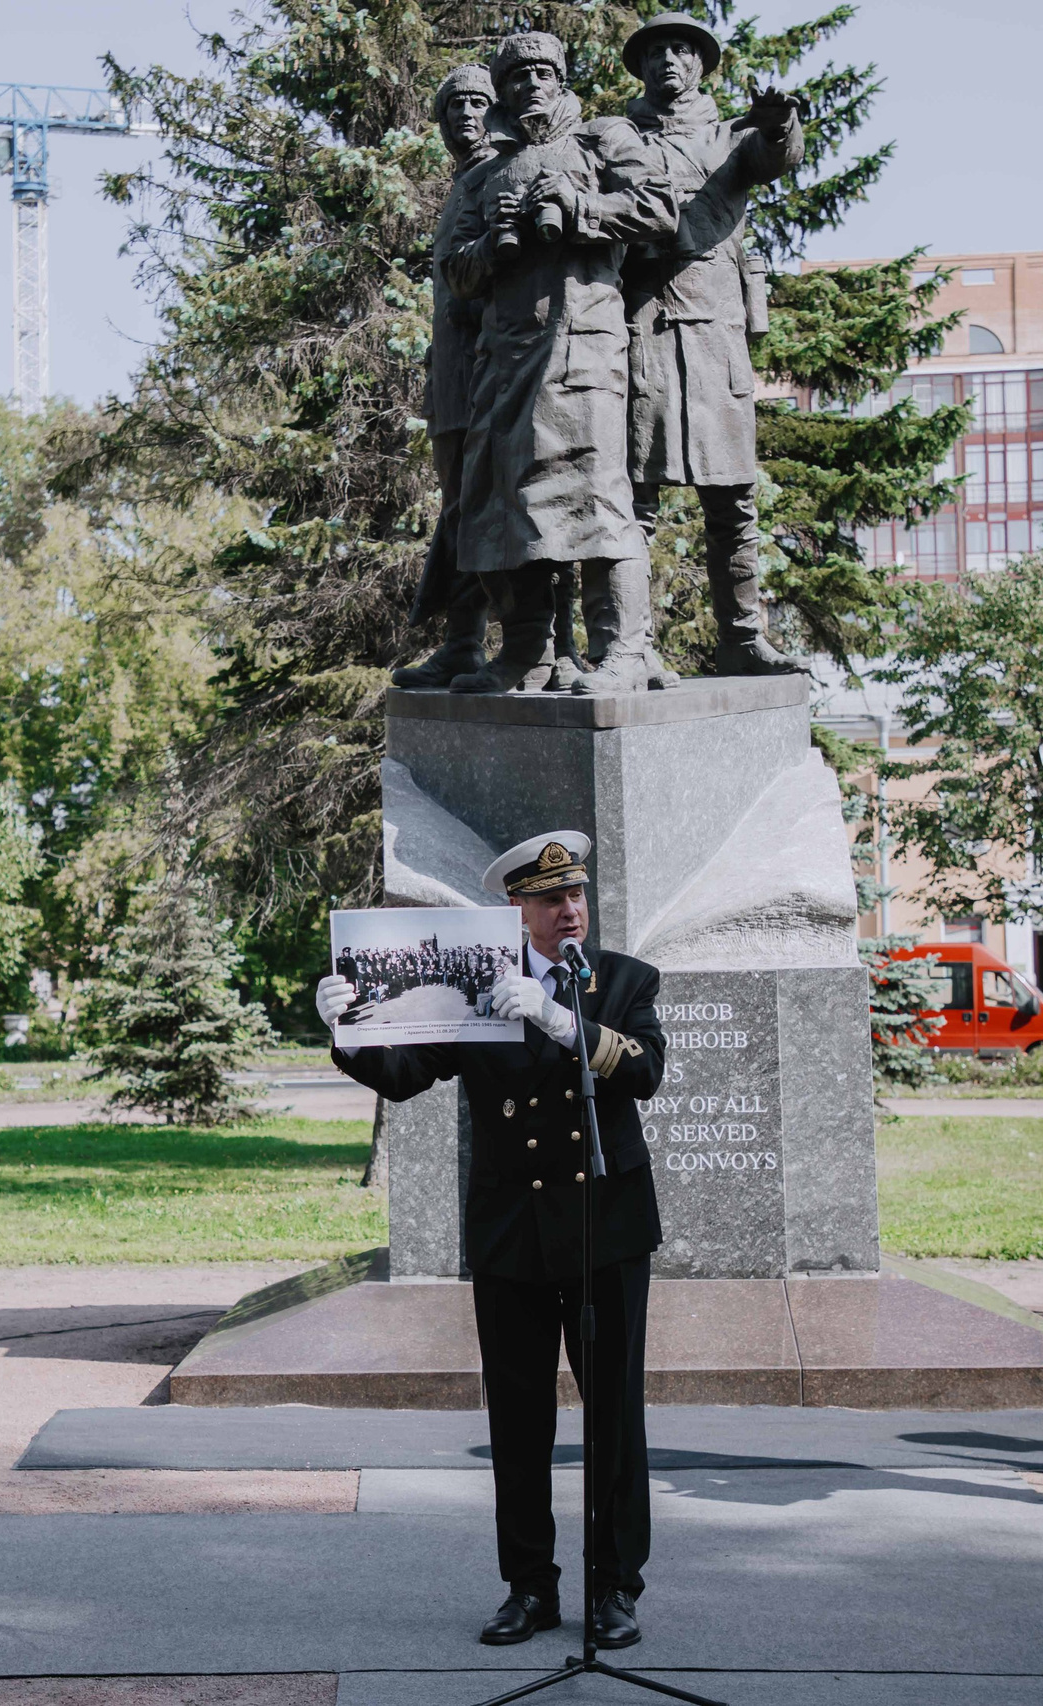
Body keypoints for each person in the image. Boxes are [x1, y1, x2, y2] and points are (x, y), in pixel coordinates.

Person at [317, 831, 667, 1649]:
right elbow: (405, 1077)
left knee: (614, 1416)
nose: (569, 910)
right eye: (550, 900)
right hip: (513, 1233)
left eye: (575, 895)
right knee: (518, 1421)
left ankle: (614, 1586)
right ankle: (529, 1588)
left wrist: (557, 1019)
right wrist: (349, 1032)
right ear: (517, 911)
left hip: (604, 1232)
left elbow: (646, 1071)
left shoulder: (622, 981)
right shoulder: (477, 984)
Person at [437, 32, 679, 694]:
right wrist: (493, 243)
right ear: (504, 93)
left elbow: (659, 210)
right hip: (504, 360)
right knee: (502, 506)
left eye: (544, 73)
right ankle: (528, 652)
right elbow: (456, 272)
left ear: (563, 79)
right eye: (517, 78)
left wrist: (580, 208)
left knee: (597, 498)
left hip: (583, 348)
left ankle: (623, 650)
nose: (531, 86)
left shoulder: (603, 139)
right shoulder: (487, 174)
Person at [619, 12, 805, 679]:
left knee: (733, 502)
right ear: (640, 67)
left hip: (717, 337)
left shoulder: (733, 137)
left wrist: (779, 120)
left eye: (683, 49)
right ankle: (629, 646)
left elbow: (773, 156)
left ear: (700, 65)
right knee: (634, 501)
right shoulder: (616, 138)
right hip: (640, 334)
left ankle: (742, 638)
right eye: (657, 51)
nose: (669, 59)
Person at [391, 63, 501, 691]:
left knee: (485, 508)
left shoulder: (498, 173)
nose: (464, 115)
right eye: (453, 107)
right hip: (454, 382)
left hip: (493, 369)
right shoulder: (462, 183)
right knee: (460, 510)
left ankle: (525, 644)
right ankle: (463, 644)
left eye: (477, 103)